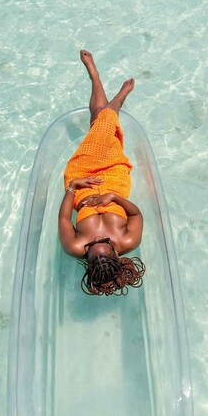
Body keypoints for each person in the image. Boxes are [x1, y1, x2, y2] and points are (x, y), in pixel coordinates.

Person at [59, 50, 146, 296]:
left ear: (87, 260)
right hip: (114, 180)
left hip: (81, 180)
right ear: (115, 253)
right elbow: (136, 214)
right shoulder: (128, 241)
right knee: (102, 121)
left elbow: (64, 220)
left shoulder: (74, 246)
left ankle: (101, 84)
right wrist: (114, 198)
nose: (96, 239)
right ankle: (113, 95)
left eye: (92, 247)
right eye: (104, 243)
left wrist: (73, 187)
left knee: (100, 121)